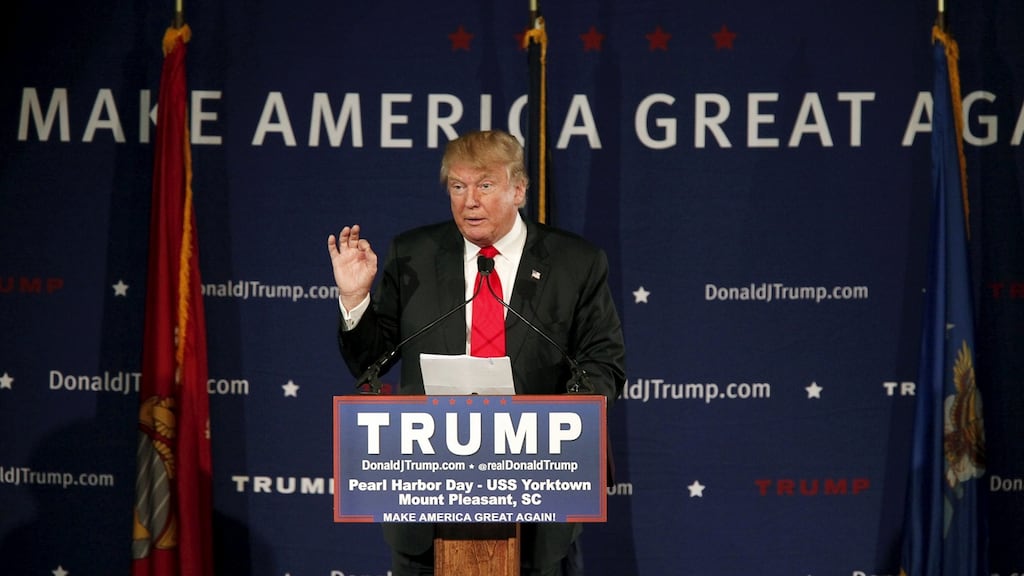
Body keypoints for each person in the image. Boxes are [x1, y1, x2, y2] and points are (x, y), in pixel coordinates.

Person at [327, 129, 626, 575]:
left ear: (518, 189)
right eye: (458, 186)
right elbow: (370, 360)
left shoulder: (575, 262)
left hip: (536, 503)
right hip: (427, 508)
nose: (470, 201)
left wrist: (571, 418)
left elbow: (604, 362)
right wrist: (355, 300)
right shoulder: (413, 254)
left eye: (485, 185)